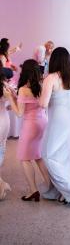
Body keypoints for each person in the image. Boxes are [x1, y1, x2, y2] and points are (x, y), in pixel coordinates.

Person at [40, 47, 70, 206]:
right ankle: (66, 192)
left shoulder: (50, 78)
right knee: (67, 154)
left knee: (48, 154)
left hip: (58, 117)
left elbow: (43, 103)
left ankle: (69, 190)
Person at [5, 59, 51, 202]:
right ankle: (51, 186)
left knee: (25, 158)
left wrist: (9, 97)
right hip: (42, 122)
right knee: (37, 156)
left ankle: (33, 190)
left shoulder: (24, 89)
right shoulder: (42, 85)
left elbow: (19, 113)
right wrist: (14, 95)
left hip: (30, 126)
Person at [0, 71, 11, 200]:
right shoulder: (5, 85)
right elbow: (10, 106)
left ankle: (2, 185)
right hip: (4, 120)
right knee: (1, 147)